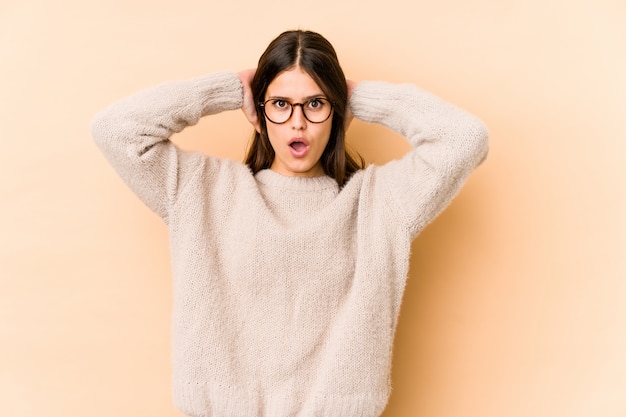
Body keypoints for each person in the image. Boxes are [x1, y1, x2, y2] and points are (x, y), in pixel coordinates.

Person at [92, 29, 488, 417]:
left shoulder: (379, 204)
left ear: (336, 112)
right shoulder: (203, 191)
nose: (298, 123)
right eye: (281, 104)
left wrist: (362, 98)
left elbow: (464, 138)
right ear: (259, 113)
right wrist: (227, 90)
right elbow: (116, 129)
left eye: (315, 104)